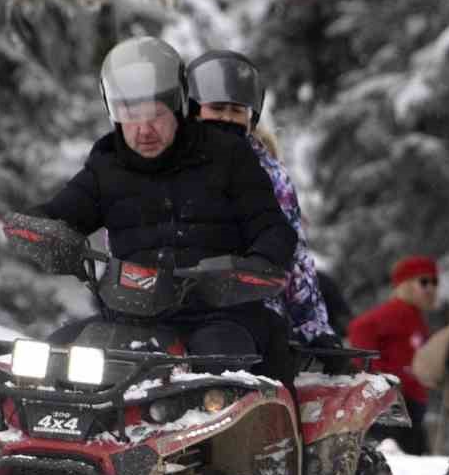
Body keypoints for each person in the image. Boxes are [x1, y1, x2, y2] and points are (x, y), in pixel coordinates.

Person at [28, 36, 296, 388]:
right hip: (130, 317)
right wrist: (38, 229)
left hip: (217, 315)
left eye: (155, 114)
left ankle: (254, 440)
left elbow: (272, 227)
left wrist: (256, 263)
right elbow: (64, 212)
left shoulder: (227, 155)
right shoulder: (107, 164)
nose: (144, 129)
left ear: (178, 105)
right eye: (130, 116)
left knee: (221, 364)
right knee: (48, 359)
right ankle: (34, 441)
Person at [185, 50, 337, 350]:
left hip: (249, 310)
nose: (227, 118)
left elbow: (295, 257)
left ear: (251, 118)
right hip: (169, 309)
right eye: (217, 108)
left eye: (236, 110)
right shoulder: (165, 165)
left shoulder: (268, 174)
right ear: (193, 111)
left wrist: (312, 327)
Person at [347, 255, 440, 453]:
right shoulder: (390, 315)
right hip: (392, 406)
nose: (431, 288)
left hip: (410, 404)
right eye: (424, 281)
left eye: (434, 282)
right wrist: (389, 381)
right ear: (404, 284)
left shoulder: (416, 317)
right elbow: (359, 337)